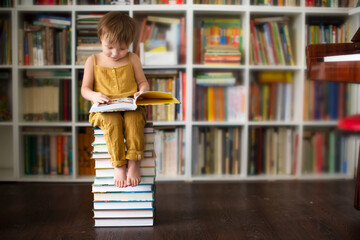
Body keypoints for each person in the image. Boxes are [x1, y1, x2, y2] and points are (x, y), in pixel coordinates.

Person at [81, 12, 149, 188]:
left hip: (131, 107)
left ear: (129, 45)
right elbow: (85, 89)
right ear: (100, 38)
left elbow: (143, 82)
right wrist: (95, 96)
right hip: (104, 110)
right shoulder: (92, 61)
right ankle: (119, 164)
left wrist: (141, 92)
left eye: (122, 48)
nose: (115, 53)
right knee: (112, 122)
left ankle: (134, 161)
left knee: (134, 120)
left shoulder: (133, 58)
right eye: (109, 47)